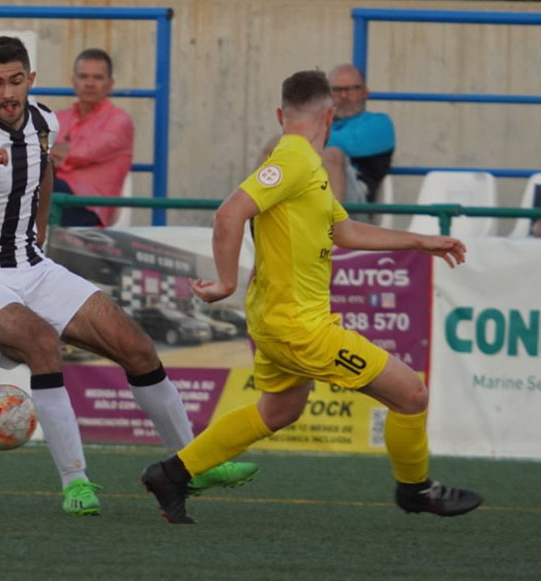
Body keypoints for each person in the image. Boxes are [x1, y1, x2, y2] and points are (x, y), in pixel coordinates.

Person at [0, 36, 257, 516]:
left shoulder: (44, 120)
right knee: (43, 346)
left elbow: (44, 172)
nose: (7, 94)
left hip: (34, 266)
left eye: (15, 81)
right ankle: (76, 483)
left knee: (136, 347)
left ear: (30, 79)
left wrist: (41, 230)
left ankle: (196, 462)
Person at [141, 70, 482, 523]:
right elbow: (229, 213)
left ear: (281, 114)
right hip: (298, 326)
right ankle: (415, 488)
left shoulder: (307, 168)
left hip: (280, 320)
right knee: (412, 395)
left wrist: (419, 241)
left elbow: (343, 230)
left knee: (279, 410)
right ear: (331, 114)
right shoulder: (296, 160)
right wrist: (225, 282)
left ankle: (171, 474)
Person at [51, 48, 134, 227]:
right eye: (83, 77)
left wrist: (52, 153)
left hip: (89, 209)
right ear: (74, 82)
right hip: (53, 198)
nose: (89, 83)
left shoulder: (119, 121)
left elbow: (82, 153)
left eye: (97, 78)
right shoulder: (58, 118)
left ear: (110, 84)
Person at [322, 64, 394, 203]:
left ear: (364, 92)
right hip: (310, 196)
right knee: (275, 148)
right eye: (336, 90)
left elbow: (349, 144)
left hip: (356, 206)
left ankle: (333, 222)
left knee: (331, 154)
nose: (343, 96)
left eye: (351, 89)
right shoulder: (321, 125)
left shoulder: (379, 123)